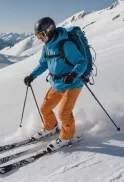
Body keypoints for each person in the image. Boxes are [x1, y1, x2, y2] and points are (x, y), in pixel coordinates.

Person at [24, 17, 87, 151]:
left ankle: (67, 137)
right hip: (57, 84)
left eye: (41, 35)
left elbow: (82, 62)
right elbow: (43, 64)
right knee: (45, 109)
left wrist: (73, 74)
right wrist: (32, 76)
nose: (40, 38)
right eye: (37, 35)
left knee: (64, 113)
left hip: (72, 84)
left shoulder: (66, 45)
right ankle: (50, 127)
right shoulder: (47, 47)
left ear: (50, 31)